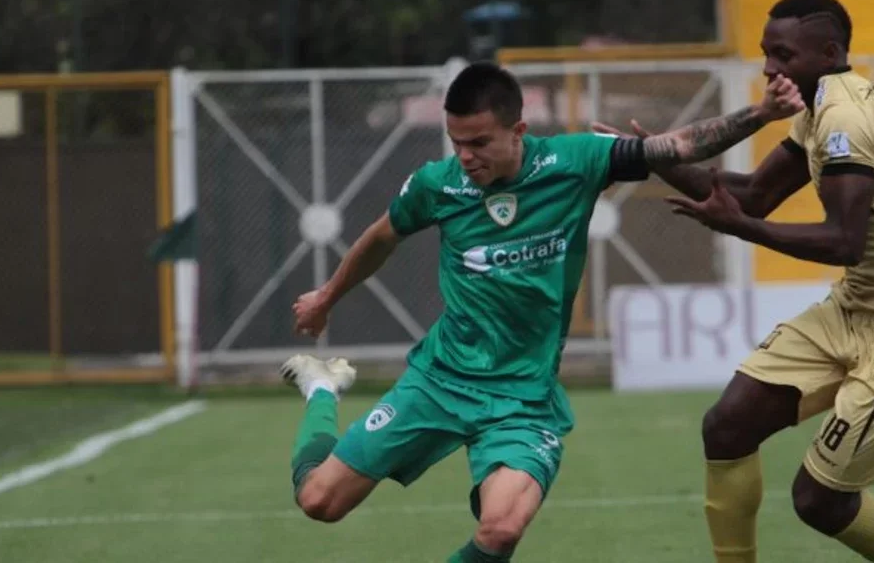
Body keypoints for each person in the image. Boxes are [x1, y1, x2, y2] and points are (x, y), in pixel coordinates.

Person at [280, 60, 804, 562]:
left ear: (518, 131)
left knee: (502, 527)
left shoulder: (575, 161)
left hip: (523, 400)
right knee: (319, 501)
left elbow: (677, 145)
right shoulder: (437, 184)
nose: (465, 156)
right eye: (456, 142)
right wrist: (327, 296)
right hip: (440, 380)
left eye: (479, 142)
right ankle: (323, 388)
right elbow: (381, 236)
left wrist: (761, 113)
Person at [595, 0, 874, 563]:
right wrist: (652, 157)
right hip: (853, 308)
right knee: (727, 426)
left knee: (819, 502)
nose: (769, 67)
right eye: (768, 53)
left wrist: (740, 229)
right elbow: (753, 194)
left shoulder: (847, 118)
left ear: (829, 53)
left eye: (784, 55)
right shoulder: (819, 108)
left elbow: (843, 240)